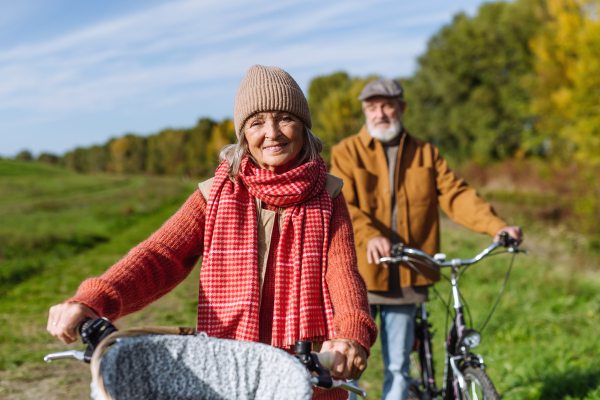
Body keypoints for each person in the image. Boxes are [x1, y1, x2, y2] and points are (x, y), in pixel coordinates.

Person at [47, 65, 378, 400]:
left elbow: (342, 273)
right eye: (257, 122)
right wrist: (93, 300)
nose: (272, 132)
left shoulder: (329, 195)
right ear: (244, 136)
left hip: (307, 372)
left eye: (284, 118)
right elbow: (161, 254)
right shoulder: (215, 194)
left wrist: (351, 334)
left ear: (303, 126)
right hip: (227, 371)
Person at [329, 78, 523, 400]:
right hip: (360, 278)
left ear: (402, 108)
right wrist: (370, 236)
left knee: (397, 368)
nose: (380, 113)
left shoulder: (425, 153)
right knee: (346, 367)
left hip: (408, 277)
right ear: (365, 111)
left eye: (387, 105)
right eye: (372, 106)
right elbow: (344, 203)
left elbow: (457, 195)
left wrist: (495, 226)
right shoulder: (346, 152)